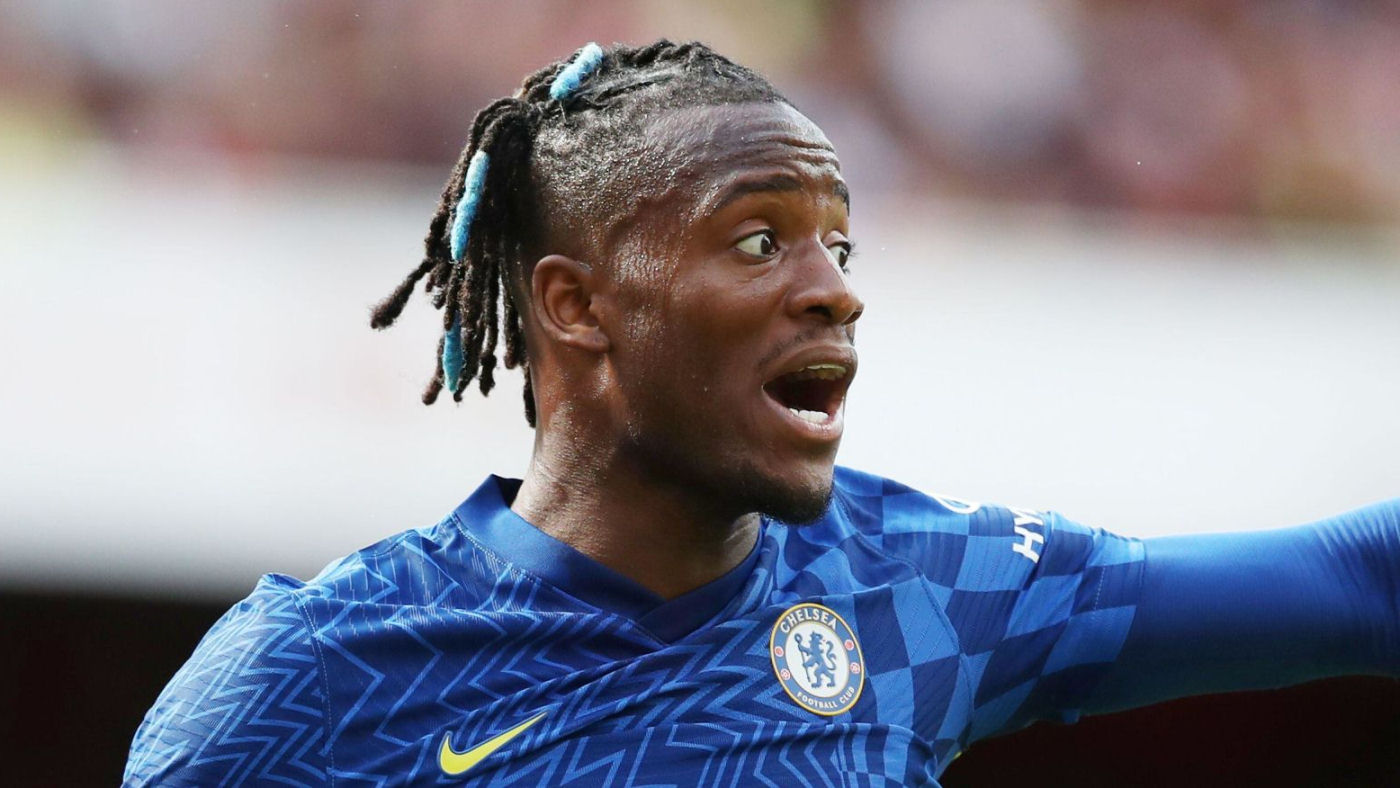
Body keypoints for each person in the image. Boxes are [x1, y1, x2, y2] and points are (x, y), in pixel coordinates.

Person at [124, 40, 1399, 786]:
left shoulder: (924, 587)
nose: (834, 289)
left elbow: (1363, 580)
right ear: (577, 304)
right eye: (756, 239)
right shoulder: (310, 681)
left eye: (838, 241)